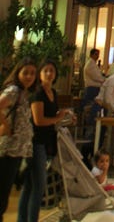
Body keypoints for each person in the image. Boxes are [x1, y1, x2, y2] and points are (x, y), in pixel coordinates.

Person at [17, 59, 75, 222]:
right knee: (38, 186)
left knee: (30, 185)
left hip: (47, 142)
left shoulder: (53, 93)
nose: (49, 74)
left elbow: (53, 115)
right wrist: (58, 117)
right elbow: (39, 120)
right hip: (36, 143)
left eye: (52, 71)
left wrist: (64, 115)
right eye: (46, 71)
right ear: (40, 74)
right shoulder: (38, 93)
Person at [0, 57, 37, 222]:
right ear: (18, 73)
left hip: (16, 151)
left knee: (4, 192)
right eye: (26, 73)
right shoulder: (14, 90)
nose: (29, 76)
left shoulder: (23, 93)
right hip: (8, 149)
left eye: (32, 73)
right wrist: (5, 125)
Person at [82, 48, 105, 118]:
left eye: (98, 54)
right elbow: (96, 77)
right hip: (92, 89)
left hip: (95, 88)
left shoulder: (93, 64)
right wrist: (104, 80)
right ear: (91, 55)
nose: (97, 56)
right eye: (96, 54)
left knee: (97, 107)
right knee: (93, 107)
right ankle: (91, 122)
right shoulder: (90, 64)